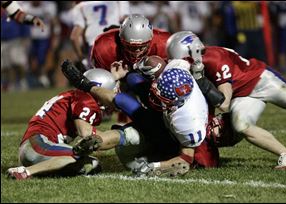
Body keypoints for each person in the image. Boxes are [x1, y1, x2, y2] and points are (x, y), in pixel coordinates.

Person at [61, 58, 235, 177]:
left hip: (170, 138)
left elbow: (184, 162)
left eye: (159, 97)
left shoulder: (187, 122)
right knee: (135, 81)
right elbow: (160, 65)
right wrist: (134, 69)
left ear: (173, 104)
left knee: (130, 112)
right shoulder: (177, 68)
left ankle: (96, 139)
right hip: (168, 116)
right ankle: (89, 90)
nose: (153, 96)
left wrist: (154, 168)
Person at [166, 31, 286, 169]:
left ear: (195, 52)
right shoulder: (196, 62)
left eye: (183, 60)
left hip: (262, 80)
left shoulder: (215, 59)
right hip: (242, 96)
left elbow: (224, 104)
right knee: (241, 126)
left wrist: (201, 80)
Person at [7, 67, 140, 180]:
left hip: (36, 146)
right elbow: (87, 135)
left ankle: (40, 170)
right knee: (75, 157)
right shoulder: (85, 100)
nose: (113, 95)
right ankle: (25, 172)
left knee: (91, 164)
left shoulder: (79, 96)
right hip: (37, 144)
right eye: (111, 90)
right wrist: (122, 136)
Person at [91, 13, 171, 124]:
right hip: (119, 75)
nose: (136, 51)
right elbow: (99, 79)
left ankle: (156, 110)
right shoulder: (105, 46)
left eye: (141, 46)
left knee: (136, 79)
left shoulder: (164, 43)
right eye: (131, 47)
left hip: (148, 81)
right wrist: (113, 80)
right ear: (121, 40)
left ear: (150, 40)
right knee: (100, 82)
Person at [70, 1, 130, 69]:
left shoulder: (80, 7)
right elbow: (127, 24)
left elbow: (74, 37)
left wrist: (82, 59)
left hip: (94, 47)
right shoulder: (118, 2)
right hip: (115, 43)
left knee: (97, 77)